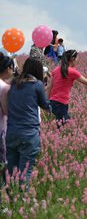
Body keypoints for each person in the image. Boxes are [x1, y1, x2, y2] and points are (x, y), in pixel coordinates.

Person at [6, 58, 51, 190]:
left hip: (12, 132)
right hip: (29, 133)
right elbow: (45, 106)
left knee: (11, 170)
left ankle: (9, 201)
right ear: (37, 70)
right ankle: (23, 202)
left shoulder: (14, 83)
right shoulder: (37, 84)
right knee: (25, 172)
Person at [47, 50, 87, 124]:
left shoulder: (56, 70)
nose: (78, 60)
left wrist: (48, 102)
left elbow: (49, 87)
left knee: (62, 122)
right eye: (77, 58)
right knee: (62, 124)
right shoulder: (72, 72)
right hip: (61, 103)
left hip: (53, 102)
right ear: (72, 59)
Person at [0, 53, 15, 191]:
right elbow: (6, 110)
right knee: (2, 164)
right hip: (1, 129)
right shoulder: (4, 87)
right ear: (7, 68)